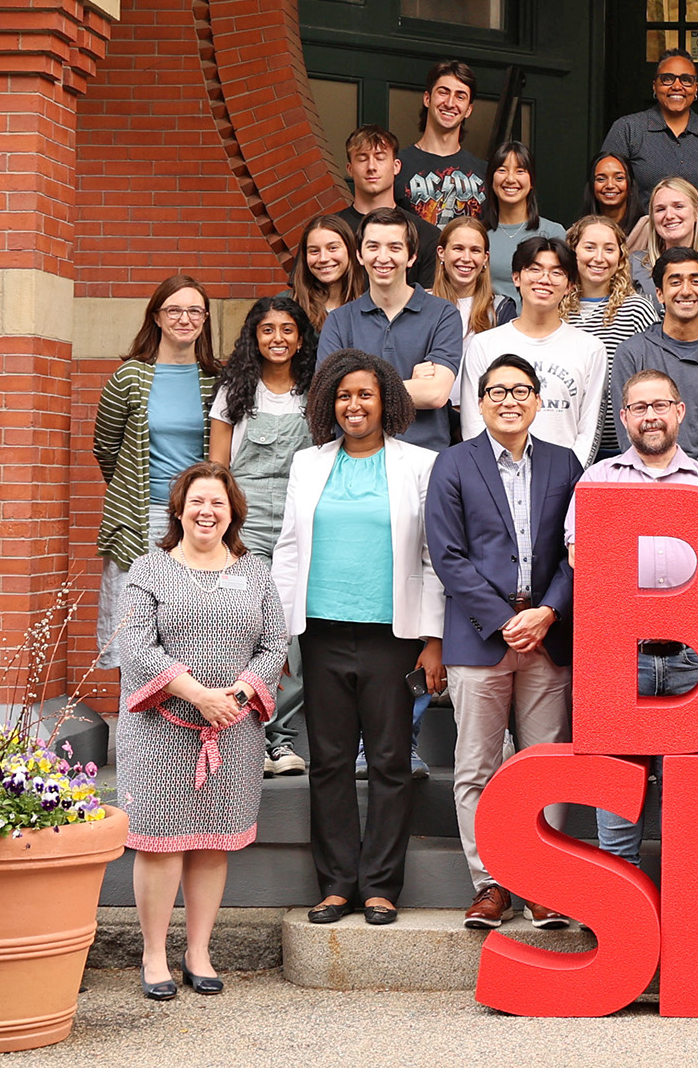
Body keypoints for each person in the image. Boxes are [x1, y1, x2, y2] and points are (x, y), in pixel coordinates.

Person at [271, 349, 444, 928]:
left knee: (392, 762)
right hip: (319, 633)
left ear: (386, 401)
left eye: (365, 394)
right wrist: (278, 637)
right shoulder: (308, 464)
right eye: (344, 396)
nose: (354, 405)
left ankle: (380, 886)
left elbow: (431, 556)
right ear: (330, 403)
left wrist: (432, 638)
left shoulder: (419, 464)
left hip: (390, 635)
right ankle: (337, 884)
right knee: (330, 763)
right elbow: (289, 550)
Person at [116, 463, 288, 1000]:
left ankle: (198, 951)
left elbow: (274, 644)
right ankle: (152, 956)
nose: (206, 511)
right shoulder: (148, 570)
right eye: (196, 502)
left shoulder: (255, 572)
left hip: (232, 732)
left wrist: (234, 698)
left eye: (217, 502)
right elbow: (136, 646)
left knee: (213, 845)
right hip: (158, 731)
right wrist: (197, 695)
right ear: (178, 509)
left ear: (233, 511)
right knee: (162, 844)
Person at [427, 354, 585, 932]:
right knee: (477, 767)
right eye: (496, 391)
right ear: (480, 400)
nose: (509, 400)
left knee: (544, 765)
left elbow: (579, 548)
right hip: (478, 638)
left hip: (546, 636)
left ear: (538, 400)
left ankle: (541, 882)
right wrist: (501, 619)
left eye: (521, 391)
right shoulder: (454, 464)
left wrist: (546, 613)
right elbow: (447, 554)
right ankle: (491, 883)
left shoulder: (565, 463)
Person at [567, 370, 698, 869]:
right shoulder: (598, 480)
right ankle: (623, 924)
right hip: (623, 660)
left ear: (680, 412)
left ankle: (686, 931)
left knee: (692, 815)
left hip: (695, 661)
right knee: (617, 814)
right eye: (639, 408)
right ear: (623, 418)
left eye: (660, 405)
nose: (651, 416)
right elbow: (583, 558)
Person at [208, 294, 318, 777]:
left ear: (301, 338)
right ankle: (240, 734)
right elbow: (217, 470)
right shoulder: (234, 390)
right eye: (267, 329)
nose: (278, 338)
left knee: (291, 632)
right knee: (242, 625)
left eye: (288, 329)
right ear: (254, 337)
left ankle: (281, 739)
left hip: (301, 519)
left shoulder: (316, 391)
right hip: (245, 521)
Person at [93, 275, 220, 683]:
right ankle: (135, 728)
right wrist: (136, 490)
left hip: (199, 518)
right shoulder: (130, 377)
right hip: (141, 517)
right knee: (136, 624)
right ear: (157, 317)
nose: (185, 319)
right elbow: (105, 448)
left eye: (194, 310)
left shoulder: (215, 380)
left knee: (192, 621)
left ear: (204, 319)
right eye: (174, 310)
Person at [318, 207, 465, 454]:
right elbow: (329, 394)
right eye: (373, 247)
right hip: (357, 457)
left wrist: (359, 390)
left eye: (394, 248)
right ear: (359, 255)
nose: (383, 257)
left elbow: (436, 394)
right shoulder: (339, 321)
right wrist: (410, 385)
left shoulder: (443, 314)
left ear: (411, 257)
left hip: (424, 457)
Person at [461, 237, 608, 463]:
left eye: (556, 273)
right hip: (495, 475)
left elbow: (589, 429)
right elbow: (473, 421)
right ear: (517, 278)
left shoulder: (590, 348)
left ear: (570, 286)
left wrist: (571, 476)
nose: (544, 279)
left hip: (564, 480)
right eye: (534, 269)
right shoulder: (484, 345)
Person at [612, 247, 698, 470]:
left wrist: (692, 487)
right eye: (675, 282)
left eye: (695, 281)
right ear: (660, 294)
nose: (686, 291)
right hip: (640, 480)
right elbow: (627, 433)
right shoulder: (631, 353)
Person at [600, 50, 698, 250]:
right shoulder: (628, 129)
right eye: (667, 79)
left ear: (695, 88)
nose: (677, 86)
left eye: (686, 80)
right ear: (655, 86)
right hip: (648, 245)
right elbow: (607, 192)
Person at [564, 215, 659, 462]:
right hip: (567, 445)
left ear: (620, 257)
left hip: (624, 446)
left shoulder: (637, 309)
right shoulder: (554, 309)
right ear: (573, 251)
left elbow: (652, 376)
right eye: (589, 247)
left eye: (609, 249)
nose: (599, 258)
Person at [433, 216, 519, 421]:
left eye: (475, 250)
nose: (466, 258)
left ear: (485, 258)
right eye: (458, 248)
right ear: (441, 253)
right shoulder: (421, 304)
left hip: (483, 421)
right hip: (432, 420)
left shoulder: (501, 308)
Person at [336, 125, 440, 290]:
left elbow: (430, 303)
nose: (371, 167)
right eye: (362, 158)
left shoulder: (427, 234)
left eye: (380, 157)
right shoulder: (330, 231)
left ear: (396, 166)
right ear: (349, 169)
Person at [397, 59, 485, 226]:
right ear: (427, 99)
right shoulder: (397, 166)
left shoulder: (484, 172)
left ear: (469, 110)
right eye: (443, 92)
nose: (450, 103)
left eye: (460, 96)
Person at [481, 141, 565, 304]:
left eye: (520, 171)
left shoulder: (553, 233)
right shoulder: (479, 235)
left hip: (541, 325)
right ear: (491, 179)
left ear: (532, 180)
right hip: (489, 326)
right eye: (502, 170)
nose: (510, 179)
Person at [625, 175, 698, 290]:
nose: (669, 216)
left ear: (697, 213)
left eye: (678, 206)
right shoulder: (633, 266)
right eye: (660, 209)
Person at [289, 215, 365, 331]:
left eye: (333, 248)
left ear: (350, 251)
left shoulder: (369, 305)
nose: (323, 258)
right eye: (314, 251)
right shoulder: (288, 305)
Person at [577, 151, 637, 234]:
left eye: (619, 178)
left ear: (630, 185)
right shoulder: (578, 233)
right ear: (591, 186)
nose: (610, 185)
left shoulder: (647, 230)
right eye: (601, 179)